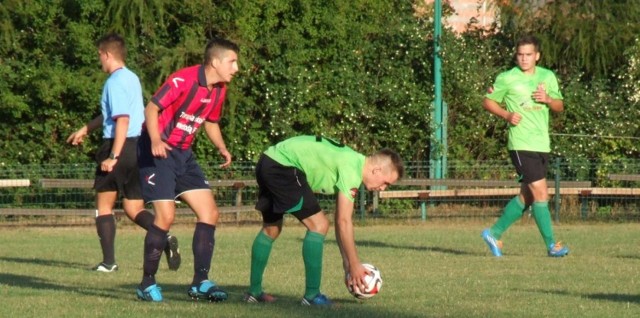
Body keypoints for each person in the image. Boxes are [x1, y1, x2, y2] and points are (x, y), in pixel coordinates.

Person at [134, 38, 239, 302]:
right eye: (232, 61)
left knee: (210, 212)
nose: (236, 68)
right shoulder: (184, 80)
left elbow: (210, 122)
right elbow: (151, 108)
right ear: (215, 62)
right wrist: (157, 140)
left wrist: (222, 148)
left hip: (183, 154)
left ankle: (200, 282)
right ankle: (146, 283)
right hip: (156, 150)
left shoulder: (219, 89)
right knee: (166, 216)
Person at [243, 135, 404, 306]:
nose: (383, 188)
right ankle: (312, 296)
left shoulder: (352, 161)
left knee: (271, 229)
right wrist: (355, 264)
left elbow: (340, 220)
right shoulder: (352, 168)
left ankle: (254, 292)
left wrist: (347, 262)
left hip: (268, 161)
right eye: (386, 183)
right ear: (377, 170)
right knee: (319, 225)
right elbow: (343, 221)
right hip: (283, 167)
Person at [67, 33, 181, 273]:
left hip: (118, 146)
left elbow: (121, 120)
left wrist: (113, 156)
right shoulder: (132, 78)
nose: (99, 60)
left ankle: (109, 262)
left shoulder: (114, 82)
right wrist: (85, 129)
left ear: (108, 54)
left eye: (100, 55)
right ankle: (165, 235)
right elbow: (113, 114)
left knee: (104, 206)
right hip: (139, 147)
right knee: (133, 208)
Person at [480, 35, 569, 258]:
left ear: (537, 56)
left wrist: (547, 99)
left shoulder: (547, 76)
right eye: (520, 54)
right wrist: (507, 115)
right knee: (541, 192)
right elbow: (487, 101)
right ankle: (551, 245)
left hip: (542, 144)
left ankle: (493, 233)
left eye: (528, 54)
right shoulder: (507, 78)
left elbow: (560, 106)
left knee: (527, 197)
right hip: (521, 144)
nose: (524, 58)